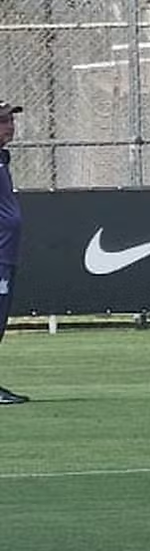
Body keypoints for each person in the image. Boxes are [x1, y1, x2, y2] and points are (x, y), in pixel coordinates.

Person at [0, 100, 28, 404]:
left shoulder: (2, 158)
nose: (11, 126)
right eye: (3, 121)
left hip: (6, 255)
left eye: (10, 120)